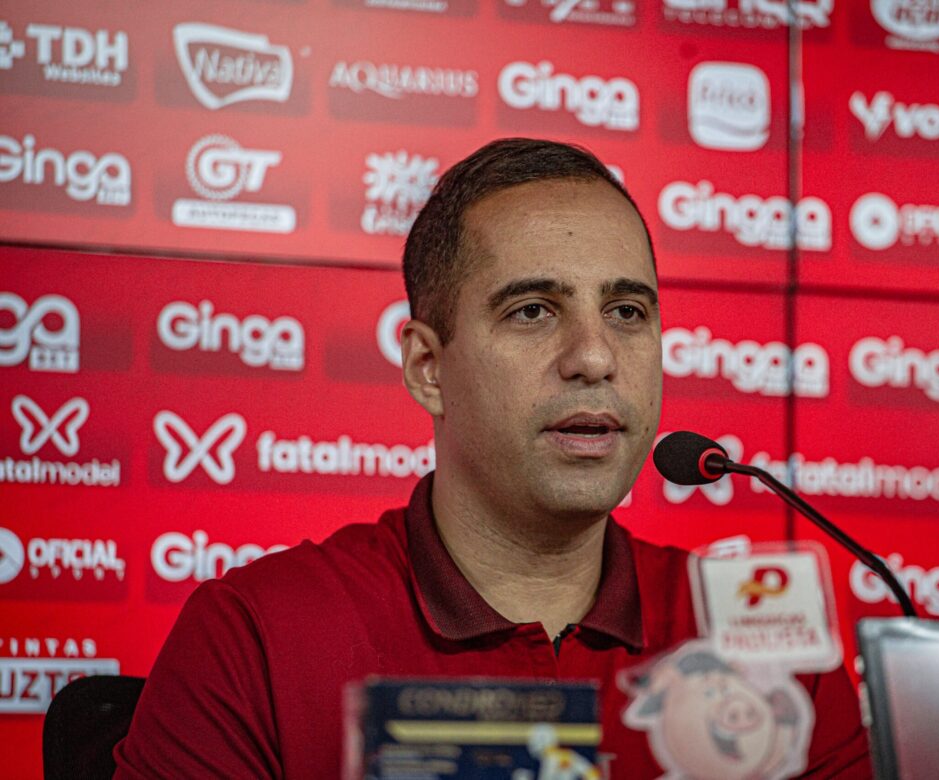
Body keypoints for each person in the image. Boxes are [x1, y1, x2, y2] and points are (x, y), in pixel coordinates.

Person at [114, 138, 871, 777]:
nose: (595, 356)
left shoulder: (765, 645)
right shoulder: (258, 634)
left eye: (626, 311)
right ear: (428, 368)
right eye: (532, 311)